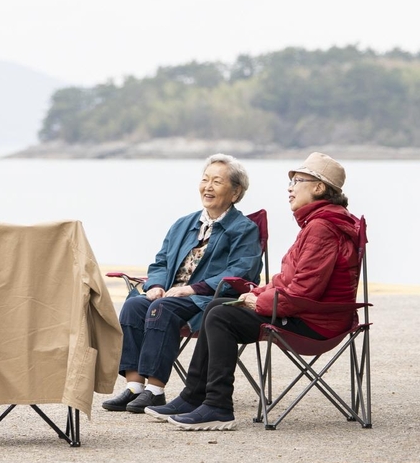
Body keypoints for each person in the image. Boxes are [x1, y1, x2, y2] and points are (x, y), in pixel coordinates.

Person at [146, 151, 360, 430]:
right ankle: (194, 397)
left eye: (297, 180)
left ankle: (217, 406)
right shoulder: (317, 223)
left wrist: (257, 302)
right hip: (311, 314)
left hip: (316, 322)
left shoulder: (322, 227)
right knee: (218, 306)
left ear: (318, 188)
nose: (290, 187)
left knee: (222, 314)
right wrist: (259, 294)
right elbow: (288, 280)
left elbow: (302, 292)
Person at [101, 154, 262, 414]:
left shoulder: (244, 229)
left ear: (235, 192)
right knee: (134, 306)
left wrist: (192, 288)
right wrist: (154, 285)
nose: (208, 187)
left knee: (161, 309)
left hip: (205, 300)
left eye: (217, 182)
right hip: (170, 296)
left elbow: (242, 271)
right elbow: (161, 261)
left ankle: (155, 391)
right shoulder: (183, 224)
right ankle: (135, 387)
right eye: (205, 179)